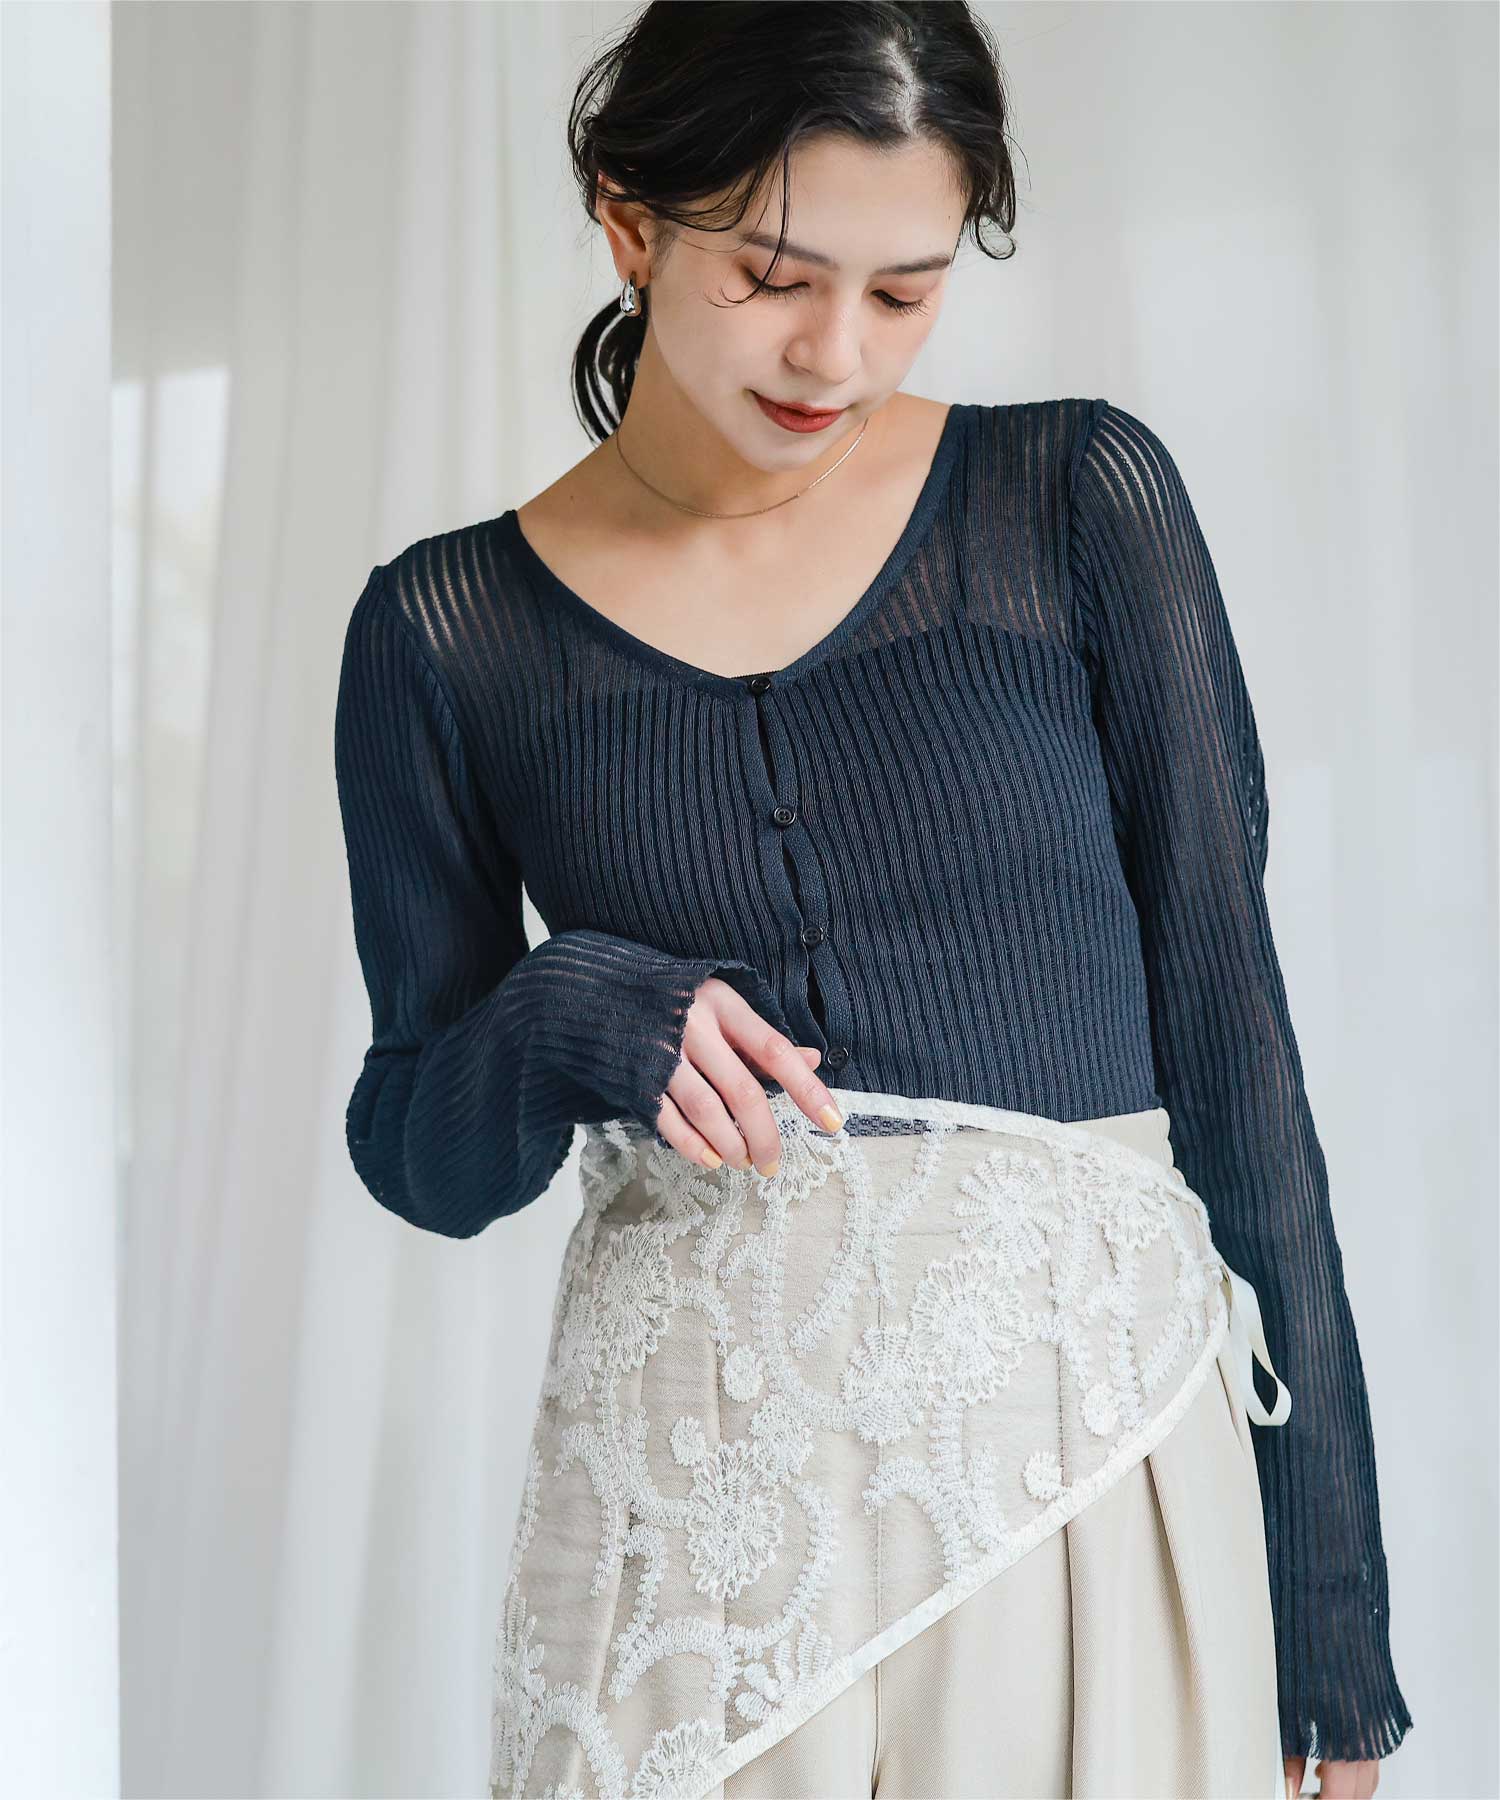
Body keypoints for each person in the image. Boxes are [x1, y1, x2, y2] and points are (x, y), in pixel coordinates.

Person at [332, 5, 1413, 1797]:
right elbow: (421, 1156)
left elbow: (1240, 1056)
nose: (834, 352)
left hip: (1092, 1483)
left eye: (905, 292)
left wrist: (1333, 1634)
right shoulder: (449, 636)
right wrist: (572, 1007)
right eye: (773, 276)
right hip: (690, 1554)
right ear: (627, 219)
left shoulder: (1075, 504)